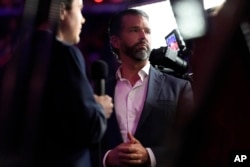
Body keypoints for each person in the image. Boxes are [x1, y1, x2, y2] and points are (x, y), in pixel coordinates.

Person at [0, 0, 113, 167]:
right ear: (61, 11)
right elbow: (90, 128)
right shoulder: (65, 55)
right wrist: (100, 109)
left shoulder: (14, 57)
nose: (83, 19)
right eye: (79, 10)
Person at [90, 9, 194, 167]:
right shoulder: (98, 91)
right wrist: (107, 158)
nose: (143, 36)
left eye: (147, 31)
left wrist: (149, 156)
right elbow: (83, 143)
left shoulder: (179, 87)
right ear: (115, 41)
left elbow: (194, 142)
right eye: (134, 30)